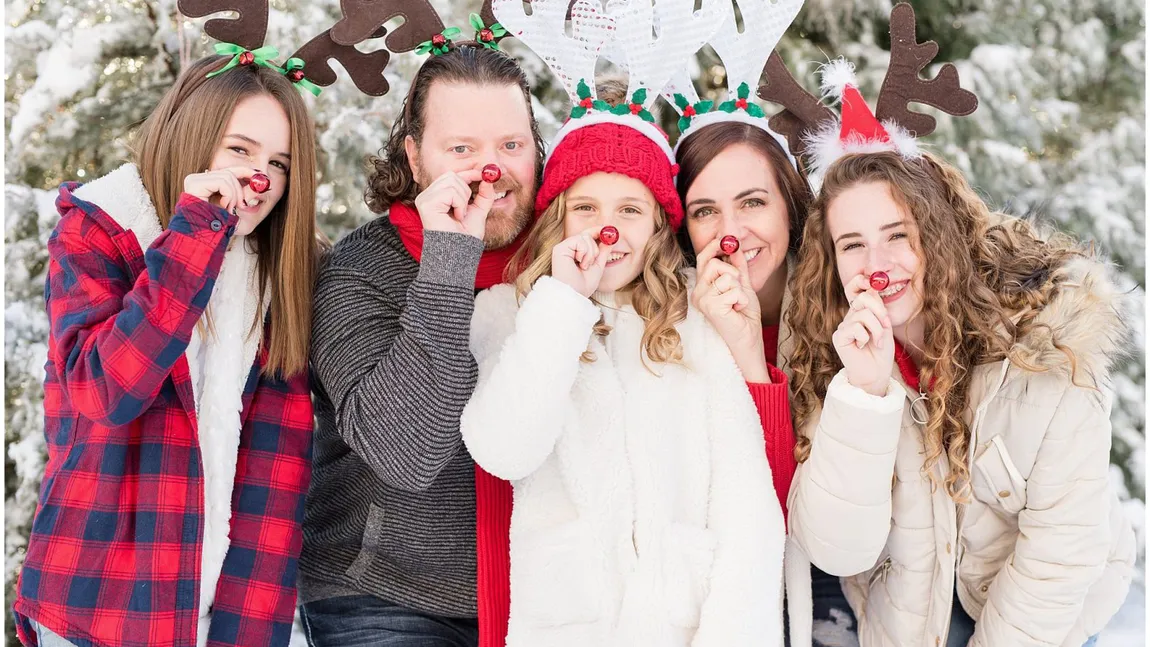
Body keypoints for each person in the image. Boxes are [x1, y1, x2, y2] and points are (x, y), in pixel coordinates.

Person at [784, 61, 1136, 646]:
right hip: (911, 615)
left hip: (1043, 616)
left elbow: (1060, 553)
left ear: (937, 231)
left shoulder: (1043, 345)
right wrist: (864, 395)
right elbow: (838, 550)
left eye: (898, 234)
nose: (877, 265)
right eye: (853, 244)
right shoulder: (834, 356)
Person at [460, 56, 787, 644]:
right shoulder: (510, 314)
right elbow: (505, 450)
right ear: (558, 219)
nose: (605, 229)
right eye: (585, 208)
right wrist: (563, 303)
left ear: (658, 225)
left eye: (629, 211)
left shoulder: (695, 316)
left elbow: (747, 506)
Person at [13, 49, 321, 647]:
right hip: (97, 612)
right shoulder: (99, 231)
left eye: (278, 164)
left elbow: (275, 477)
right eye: (240, 150)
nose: (259, 178)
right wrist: (194, 239)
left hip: (221, 618)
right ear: (193, 136)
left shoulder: (279, 275)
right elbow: (106, 391)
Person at [298, 40, 543, 647]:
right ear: (414, 156)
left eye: (511, 146)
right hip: (383, 594)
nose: (492, 169)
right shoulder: (359, 271)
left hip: (540, 595)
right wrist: (449, 261)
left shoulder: (563, 264)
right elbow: (407, 453)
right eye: (462, 149)